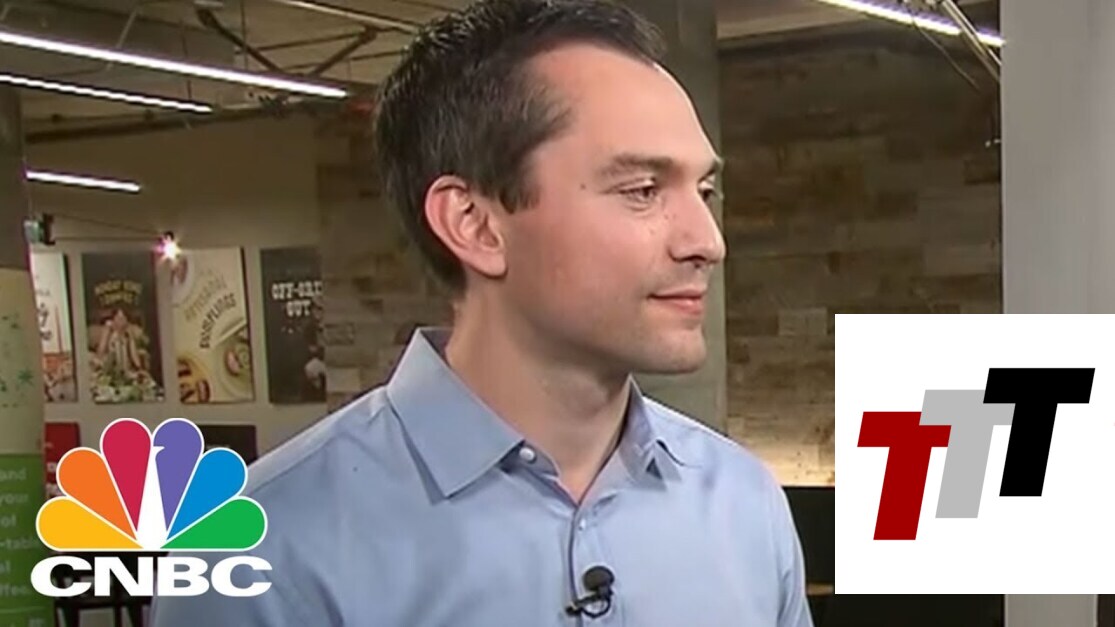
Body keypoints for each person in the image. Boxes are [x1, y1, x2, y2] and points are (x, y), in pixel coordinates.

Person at [150, 0, 813, 625]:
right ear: (475, 224)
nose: (707, 241)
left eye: (704, 190)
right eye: (642, 190)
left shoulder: (744, 504)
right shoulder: (264, 545)